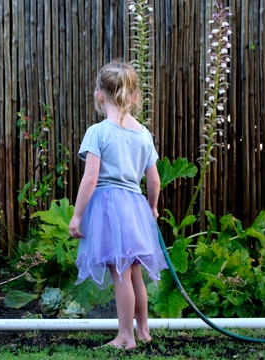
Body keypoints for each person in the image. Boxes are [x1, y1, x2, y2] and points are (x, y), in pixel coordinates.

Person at [68, 59, 167, 349]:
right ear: (135, 97)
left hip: (110, 207)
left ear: (99, 94)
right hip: (135, 206)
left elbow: (90, 179)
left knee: (120, 271)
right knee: (133, 269)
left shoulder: (98, 132)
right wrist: (151, 208)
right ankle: (144, 329)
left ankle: (125, 335)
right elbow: (155, 181)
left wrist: (77, 216)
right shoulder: (143, 134)